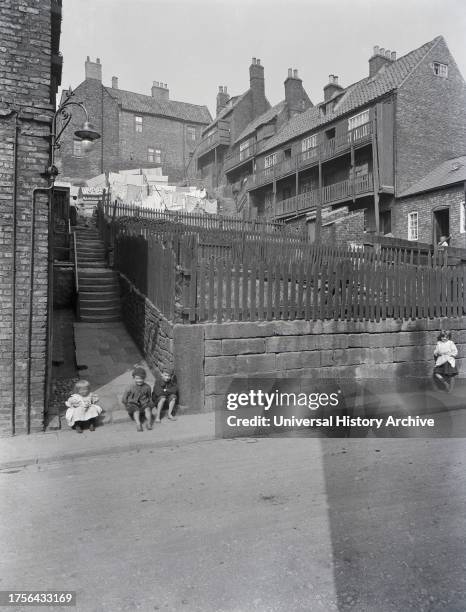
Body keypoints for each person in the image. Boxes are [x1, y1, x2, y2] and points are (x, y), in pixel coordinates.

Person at [122, 367, 154, 431]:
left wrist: (150, 404)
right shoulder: (130, 387)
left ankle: (149, 423)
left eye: (141, 378)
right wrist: (126, 405)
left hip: (143, 402)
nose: (139, 380)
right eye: (137, 378)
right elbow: (124, 398)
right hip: (132, 403)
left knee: (147, 409)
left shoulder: (147, 387)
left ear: (144, 378)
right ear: (134, 378)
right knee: (136, 410)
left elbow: (149, 396)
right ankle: (138, 424)